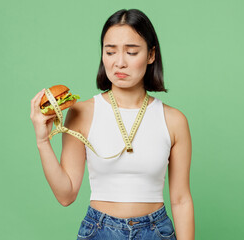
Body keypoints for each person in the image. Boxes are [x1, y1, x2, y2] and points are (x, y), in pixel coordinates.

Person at [30, 8, 194, 240]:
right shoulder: (81, 112)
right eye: (110, 51)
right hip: (99, 230)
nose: (119, 62)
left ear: (151, 55)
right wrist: (42, 140)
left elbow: (181, 199)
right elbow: (65, 195)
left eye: (132, 52)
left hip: (156, 232)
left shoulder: (174, 120)